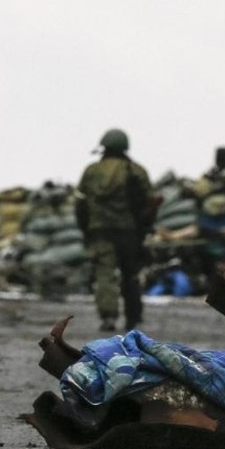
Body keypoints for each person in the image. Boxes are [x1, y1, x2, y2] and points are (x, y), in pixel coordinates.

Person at [74, 128, 154, 332]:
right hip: (129, 231)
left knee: (104, 274)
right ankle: (133, 318)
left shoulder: (91, 171)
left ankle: (108, 316)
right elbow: (149, 202)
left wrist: (85, 228)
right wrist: (145, 228)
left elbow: (80, 204)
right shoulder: (136, 170)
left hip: (99, 230)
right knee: (131, 273)